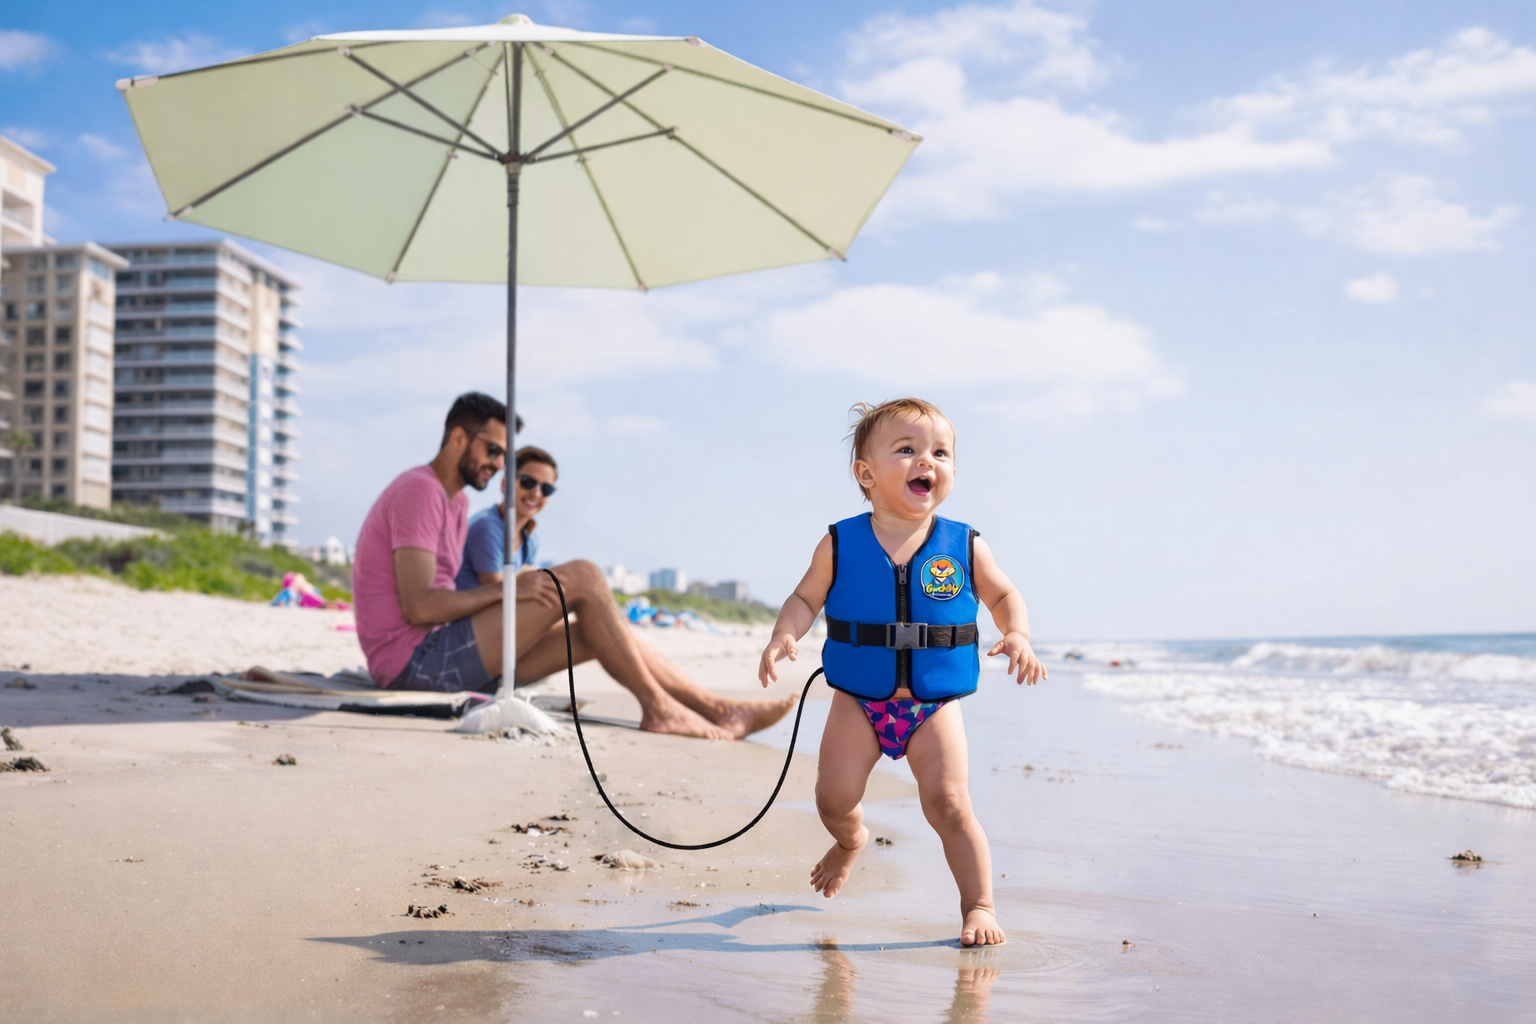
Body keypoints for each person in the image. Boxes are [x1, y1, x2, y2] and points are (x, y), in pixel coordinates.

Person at [757, 397, 1047, 947]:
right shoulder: (839, 542)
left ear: (953, 472)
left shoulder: (964, 544)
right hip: (859, 702)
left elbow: (1004, 594)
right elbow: (804, 597)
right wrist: (784, 634)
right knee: (833, 800)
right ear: (866, 474)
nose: (926, 461)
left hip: (933, 706)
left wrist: (1018, 634)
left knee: (950, 804)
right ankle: (849, 841)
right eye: (908, 450)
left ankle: (979, 904)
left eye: (940, 452)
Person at [353, 392, 794, 740]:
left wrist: (516, 590)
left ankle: (718, 708)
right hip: (415, 665)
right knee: (582, 574)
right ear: (457, 439)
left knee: (590, 633)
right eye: (493, 450)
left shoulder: (457, 500)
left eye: (505, 455)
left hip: (446, 654)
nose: (497, 463)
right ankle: (660, 709)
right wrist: (511, 589)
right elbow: (420, 608)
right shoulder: (421, 492)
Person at [450, 442, 797, 742]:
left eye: (547, 489)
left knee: (606, 632)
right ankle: (666, 708)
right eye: (528, 482)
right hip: (479, 651)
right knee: (591, 593)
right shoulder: (488, 528)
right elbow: (494, 592)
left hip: (512, 652)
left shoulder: (529, 536)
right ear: (506, 483)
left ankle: (718, 708)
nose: (536, 494)